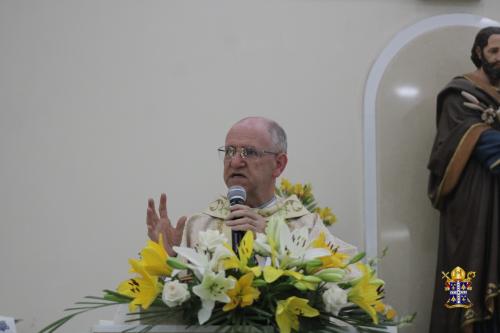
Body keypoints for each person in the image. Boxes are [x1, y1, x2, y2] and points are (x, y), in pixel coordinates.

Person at [146, 116, 356, 260]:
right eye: (229, 151)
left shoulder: (304, 225)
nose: (235, 162)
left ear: (279, 164)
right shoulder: (198, 226)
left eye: (249, 152)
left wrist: (275, 240)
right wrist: (169, 255)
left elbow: (349, 277)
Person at [428, 27, 500, 333]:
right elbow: (476, 140)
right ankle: (458, 323)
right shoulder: (459, 94)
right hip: (468, 206)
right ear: (479, 52)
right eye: (495, 51)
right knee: (460, 269)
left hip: (497, 201)